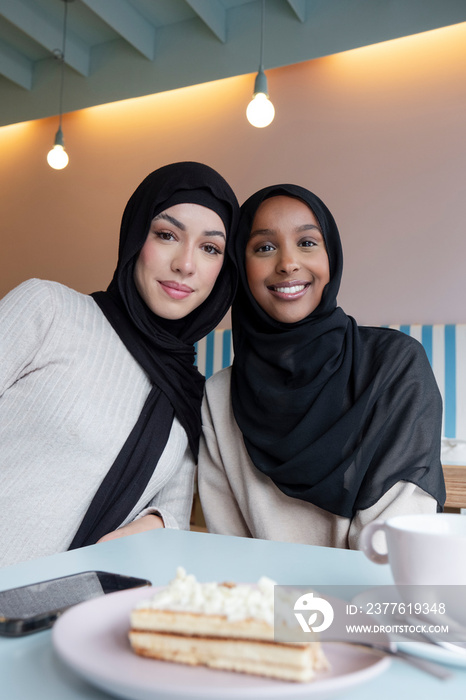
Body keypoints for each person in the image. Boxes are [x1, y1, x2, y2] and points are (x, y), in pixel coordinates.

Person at [0, 161, 239, 567]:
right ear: (135, 238)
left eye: (210, 248)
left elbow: (172, 512)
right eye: (166, 235)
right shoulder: (49, 310)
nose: (186, 264)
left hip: (58, 615)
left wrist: (152, 528)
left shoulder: (188, 391)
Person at [198, 184, 445, 549]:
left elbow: (395, 547)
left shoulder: (393, 367)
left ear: (332, 257)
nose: (287, 263)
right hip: (261, 602)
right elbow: (230, 551)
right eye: (265, 247)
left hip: (369, 601)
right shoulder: (220, 397)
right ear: (240, 267)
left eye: (308, 243)